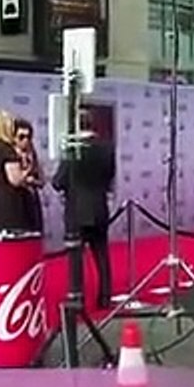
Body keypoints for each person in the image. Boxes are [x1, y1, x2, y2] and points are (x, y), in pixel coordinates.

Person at [52, 110, 118, 309]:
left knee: (76, 257)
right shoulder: (107, 148)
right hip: (99, 207)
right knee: (102, 255)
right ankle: (105, 297)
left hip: (76, 211)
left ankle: (77, 296)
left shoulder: (73, 150)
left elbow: (58, 181)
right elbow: (109, 177)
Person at [13, 119, 45, 232]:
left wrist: (33, 181)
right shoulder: (9, 156)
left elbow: (42, 181)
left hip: (32, 199)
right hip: (17, 202)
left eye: (28, 137)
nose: (25, 140)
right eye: (21, 137)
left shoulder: (32, 155)